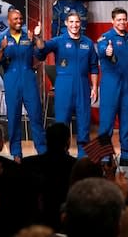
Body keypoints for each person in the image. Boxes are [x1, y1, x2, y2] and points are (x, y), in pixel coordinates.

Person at [35, 11, 99, 157]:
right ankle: (60, 157)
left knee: (84, 124)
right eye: (71, 22)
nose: (74, 25)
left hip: (83, 85)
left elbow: (94, 67)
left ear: (80, 23)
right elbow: (42, 49)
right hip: (64, 86)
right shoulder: (58, 41)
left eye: (77, 22)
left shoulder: (87, 43)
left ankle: (82, 159)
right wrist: (38, 37)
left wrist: (94, 87)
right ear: (66, 23)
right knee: (61, 124)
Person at [0, 9, 47, 162]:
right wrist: (2, 48)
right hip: (12, 82)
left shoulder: (28, 36)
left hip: (29, 81)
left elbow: (42, 52)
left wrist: (36, 37)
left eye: (21, 18)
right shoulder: (2, 39)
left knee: (36, 117)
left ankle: (42, 152)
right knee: (14, 119)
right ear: (9, 21)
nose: (19, 21)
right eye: (15, 19)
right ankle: (16, 154)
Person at [97, 7, 128, 167]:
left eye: (124, 19)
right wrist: (106, 51)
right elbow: (101, 51)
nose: (122, 22)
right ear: (112, 21)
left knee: (127, 122)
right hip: (110, 85)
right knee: (106, 122)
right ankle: (104, 157)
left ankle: (126, 155)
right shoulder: (106, 37)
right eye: (119, 19)